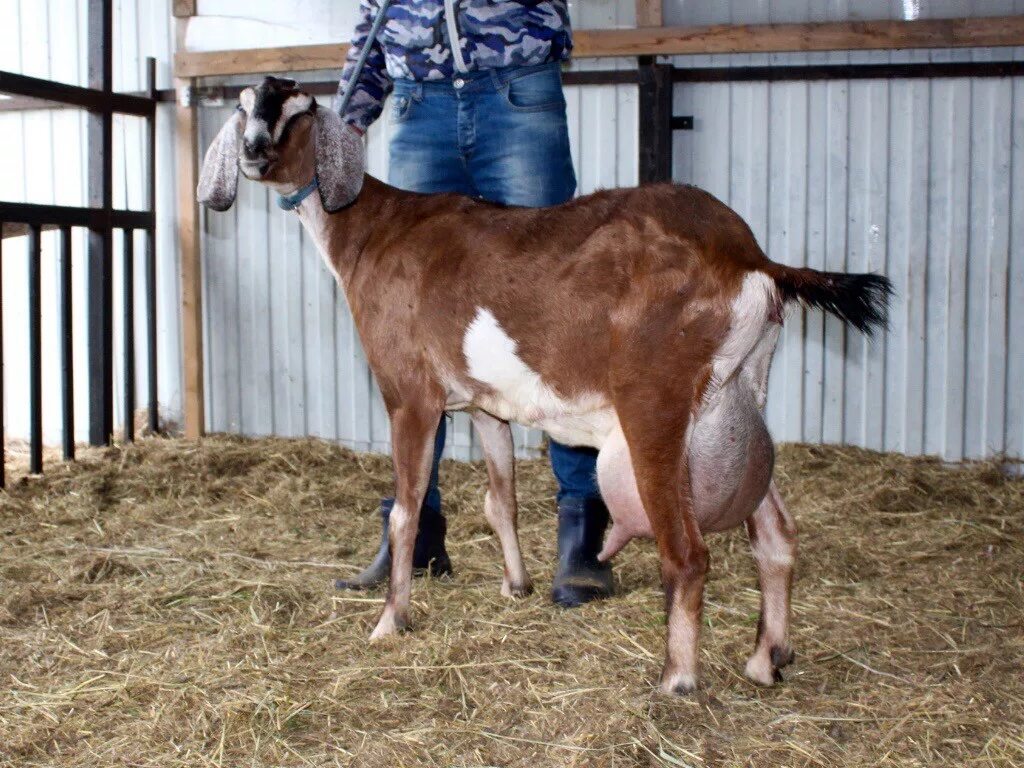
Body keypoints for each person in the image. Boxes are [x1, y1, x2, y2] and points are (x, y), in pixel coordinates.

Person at [333, 0, 612, 608]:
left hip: (516, 93)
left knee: (552, 306)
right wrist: (345, 122)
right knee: (405, 326)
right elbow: (374, 17)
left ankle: (582, 536)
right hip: (416, 103)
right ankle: (416, 532)